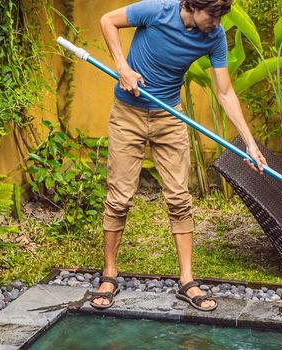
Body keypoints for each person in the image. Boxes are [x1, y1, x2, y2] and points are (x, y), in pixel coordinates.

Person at [88, 0, 267, 311]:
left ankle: (187, 280)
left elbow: (225, 92)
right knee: (120, 197)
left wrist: (250, 142)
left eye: (221, 15)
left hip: (170, 118)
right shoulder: (157, 10)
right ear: (193, 5)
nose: (216, 22)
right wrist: (123, 67)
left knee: (179, 198)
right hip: (127, 114)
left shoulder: (215, 36)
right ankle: (109, 273)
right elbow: (107, 20)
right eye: (212, 14)